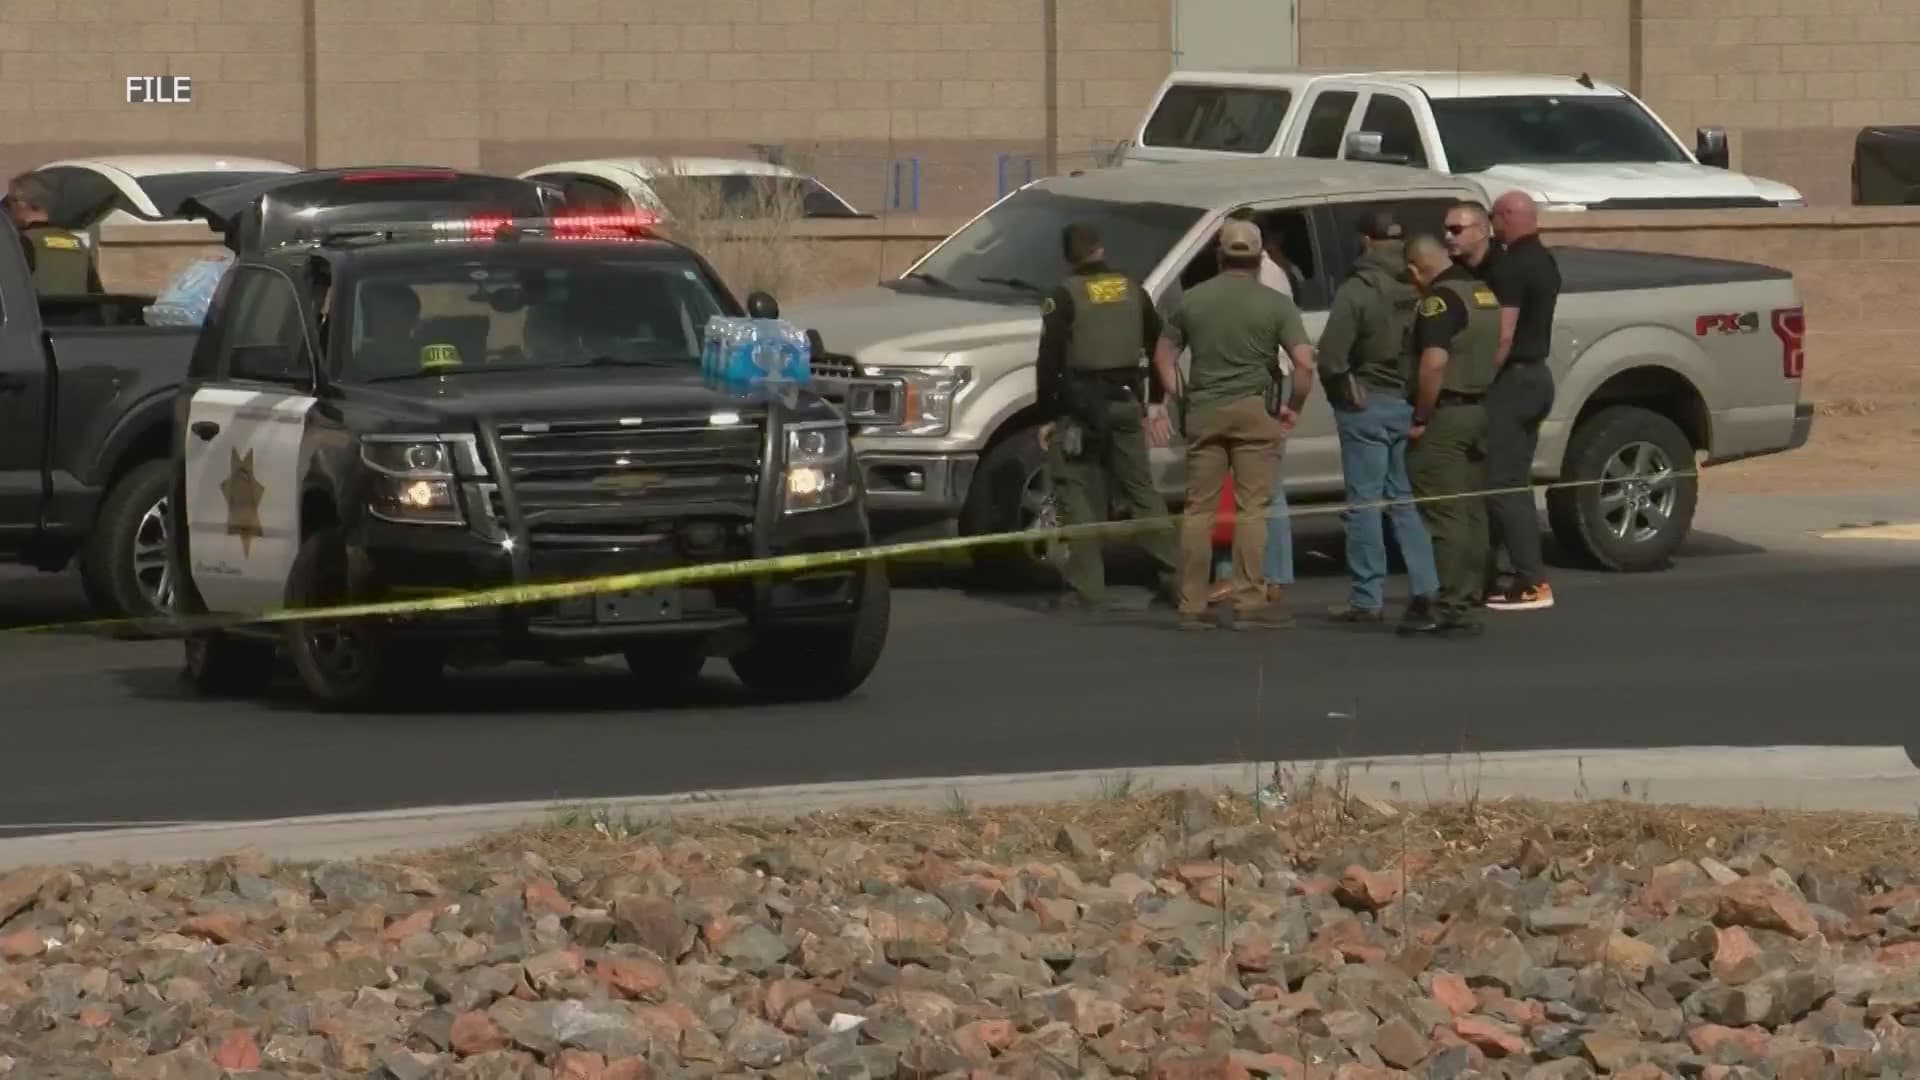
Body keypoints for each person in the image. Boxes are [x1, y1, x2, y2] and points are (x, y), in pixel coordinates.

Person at [1149, 218, 1314, 631]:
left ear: (1219, 255)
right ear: (1259, 258)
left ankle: (1191, 603)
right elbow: (1304, 363)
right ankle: (1249, 602)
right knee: (1251, 509)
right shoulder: (1275, 304)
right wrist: (1292, 406)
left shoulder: (1193, 301)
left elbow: (1163, 358)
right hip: (1255, 411)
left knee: (1198, 510)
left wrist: (1180, 396)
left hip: (1204, 410)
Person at [1033, 223, 1177, 613]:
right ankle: (1179, 578)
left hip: (1081, 410)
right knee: (1142, 492)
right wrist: (1156, 400)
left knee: (1076, 491)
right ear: (1100, 248)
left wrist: (1049, 415)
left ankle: (1087, 590)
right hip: (1127, 401)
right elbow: (1159, 343)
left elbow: (1050, 361)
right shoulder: (1133, 289)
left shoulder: (1064, 295)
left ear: (1068, 256)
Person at [1315, 209, 1440, 626]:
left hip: (1367, 404)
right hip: (1407, 402)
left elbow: (1332, 357)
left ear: (1365, 242)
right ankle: (1427, 587)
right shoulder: (1419, 285)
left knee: (1364, 505)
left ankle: (1367, 598)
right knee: (1405, 502)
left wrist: (1345, 394)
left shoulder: (1358, 290)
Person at [1400, 233, 1500, 637]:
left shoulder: (1437, 302)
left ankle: (1453, 605)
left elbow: (1434, 364)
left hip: (1446, 413)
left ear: (1414, 270)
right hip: (1478, 406)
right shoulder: (1482, 293)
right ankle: (1471, 593)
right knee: (1472, 510)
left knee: (1445, 513)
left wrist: (1422, 415)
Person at [1479, 191, 1562, 612]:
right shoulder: (1544, 260)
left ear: (1509, 217)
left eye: (1494, 217)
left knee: (1502, 483)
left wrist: (1479, 381)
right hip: (1537, 378)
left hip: (1513, 380)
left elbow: (1504, 333)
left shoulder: (1512, 265)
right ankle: (1497, 574)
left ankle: (1532, 581)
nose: (1492, 224)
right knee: (1513, 479)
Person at [5, 172, 103, 295]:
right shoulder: (78, 244)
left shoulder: (20, 244)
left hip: (38, 314)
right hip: (77, 314)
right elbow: (96, 294)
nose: (7, 211)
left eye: (8, 204)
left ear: (21, 204)